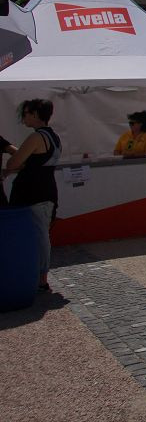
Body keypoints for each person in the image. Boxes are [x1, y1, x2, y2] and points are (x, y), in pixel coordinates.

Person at [3, 99, 62, 292]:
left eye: (26, 113)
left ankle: (41, 278)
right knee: (40, 234)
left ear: (36, 114)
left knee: (37, 235)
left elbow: (13, 163)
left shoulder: (36, 138)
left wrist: (11, 166)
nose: (24, 117)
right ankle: (40, 277)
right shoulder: (54, 137)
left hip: (33, 193)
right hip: (45, 190)